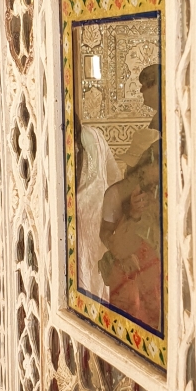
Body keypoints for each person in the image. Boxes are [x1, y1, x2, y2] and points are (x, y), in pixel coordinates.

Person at [99, 143, 162, 331]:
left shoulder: (158, 190)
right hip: (127, 265)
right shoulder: (115, 193)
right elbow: (106, 234)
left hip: (153, 265)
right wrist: (133, 215)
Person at [74, 117, 121, 299]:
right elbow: (115, 179)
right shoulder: (97, 136)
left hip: (85, 229)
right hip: (96, 228)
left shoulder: (93, 136)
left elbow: (114, 180)